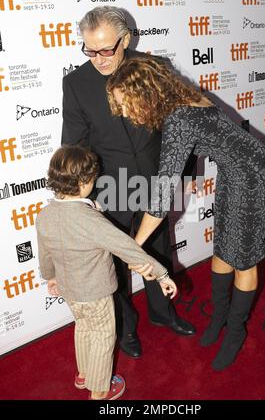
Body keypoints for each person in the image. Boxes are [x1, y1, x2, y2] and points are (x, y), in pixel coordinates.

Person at [106, 57, 265, 371]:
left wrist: (132, 247)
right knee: (223, 249)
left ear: (144, 93)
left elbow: (161, 197)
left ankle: (235, 330)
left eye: (126, 103)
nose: (123, 112)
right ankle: (219, 318)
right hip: (235, 173)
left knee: (243, 259)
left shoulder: (179, 117)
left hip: (256, 176)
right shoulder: (180, 98)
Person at [61, 6, 195, 359]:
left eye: (107, 49)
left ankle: (164, 315)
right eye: (90, 50)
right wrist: (83, 196)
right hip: (109, 189)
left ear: (126, 39)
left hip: (155, 179)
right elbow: (75, 144)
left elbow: (181, 125)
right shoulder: (75, 83)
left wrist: (188, 175)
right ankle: (125, 329)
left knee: (158, 250)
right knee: (116, 265)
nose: (99, 59)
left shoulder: (155, 68)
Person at [35, 146, 177, 400]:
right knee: (102, 337)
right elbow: (127, 247)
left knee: (83, 328)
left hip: (69, 290)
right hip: (95, 293)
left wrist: (51, 277)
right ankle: (100, 390)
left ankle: (84, 375)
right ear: (84, 182)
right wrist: (162, 274)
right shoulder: (89, 219)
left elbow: (45, 253)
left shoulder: (45, 214)